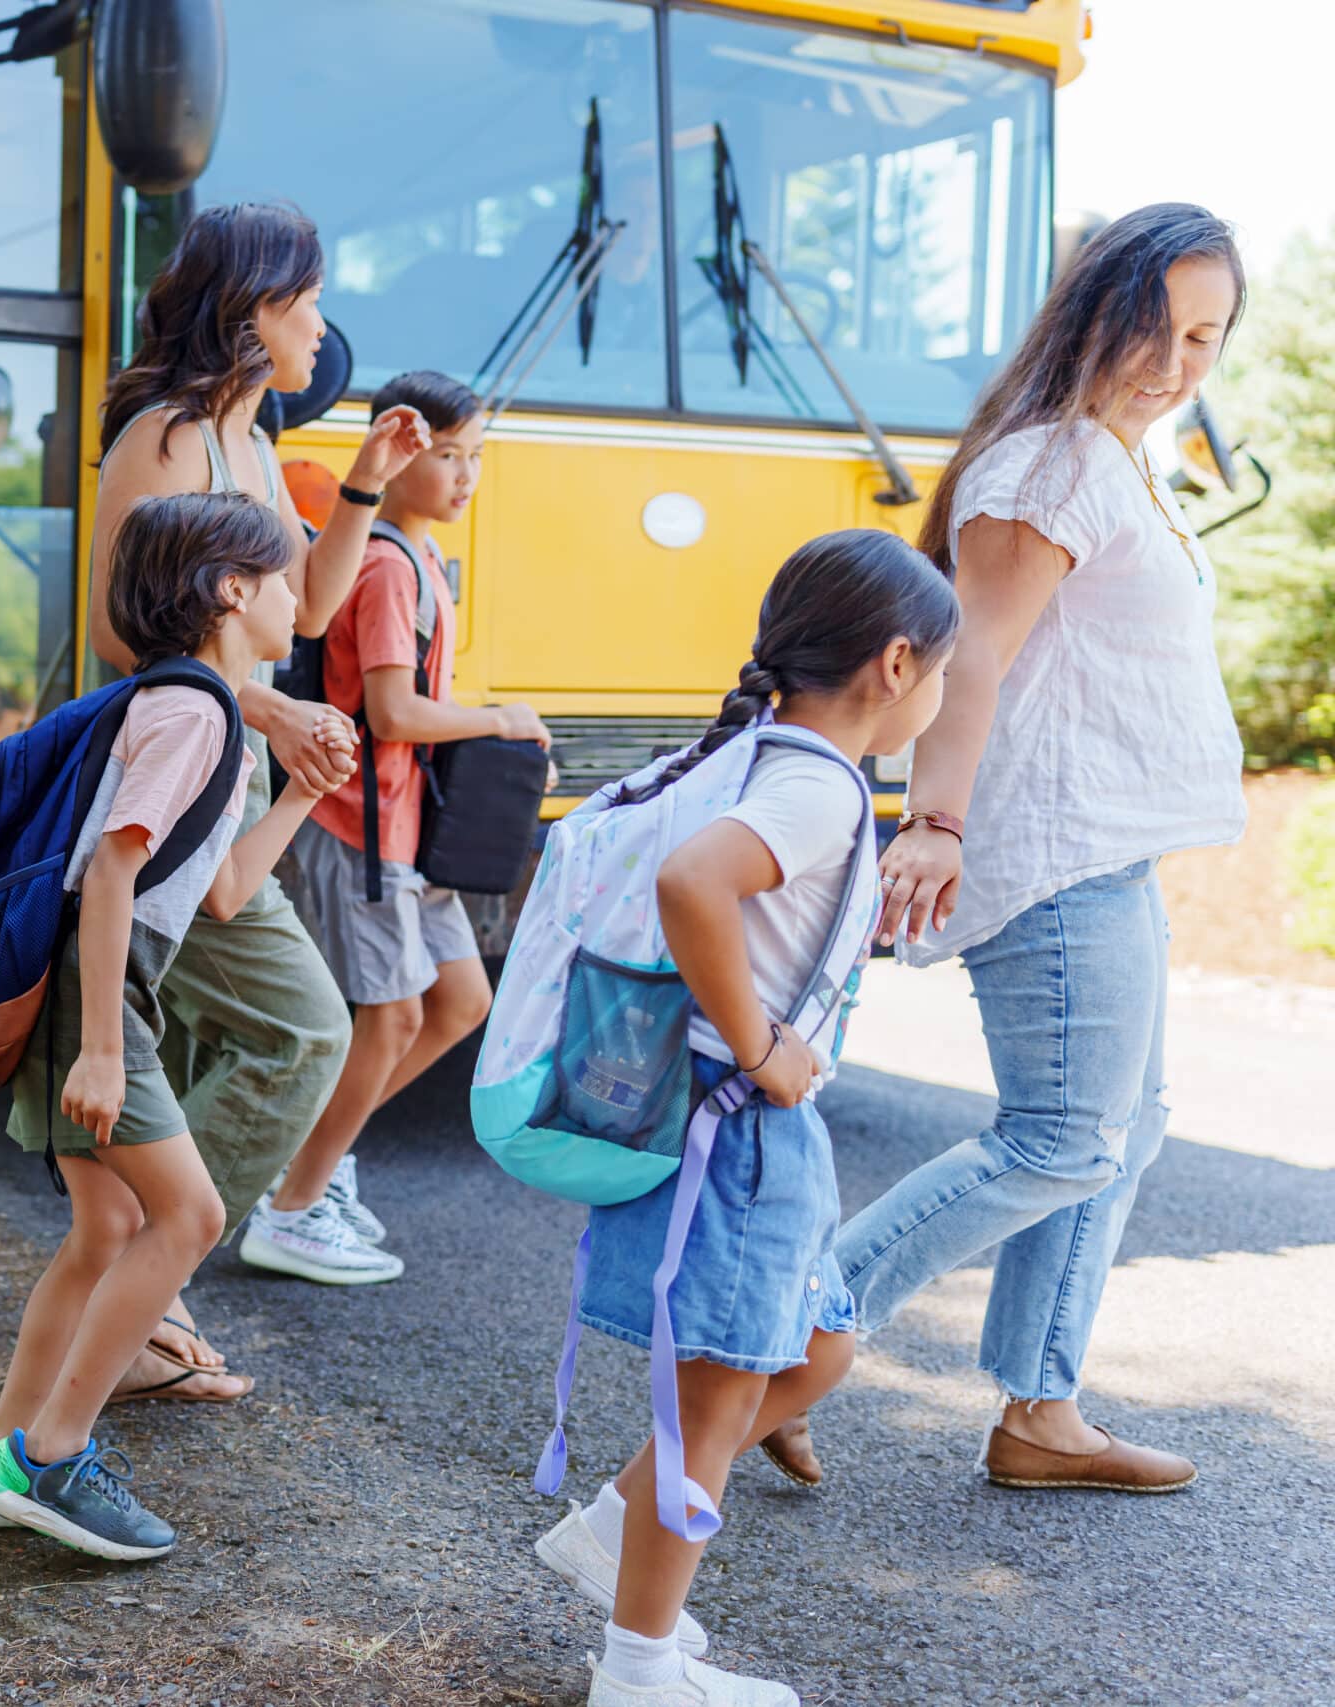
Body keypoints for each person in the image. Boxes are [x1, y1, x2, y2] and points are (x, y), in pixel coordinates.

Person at [756, 205, 1248, 1496]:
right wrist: (937, 819)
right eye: (1161, 326)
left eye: (1208, 337)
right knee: (1065, 1136)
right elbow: (973, 658)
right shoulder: (1046, 469)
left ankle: (1042, 1406)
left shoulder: (1114, 457)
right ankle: (791, 1325)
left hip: (1112, 842)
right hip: (1050, 844)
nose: (1182, 360)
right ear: (1100, 312)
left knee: (1120, 1128)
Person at [531, 531, 959, 1707]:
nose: (940, 696)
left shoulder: (778, 759)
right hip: (741, 1127)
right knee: (710, 1405)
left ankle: (607, 1534)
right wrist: (766, 1048)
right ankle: (639, 1669)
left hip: (750, 1123)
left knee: (817, 1346)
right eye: (942, 674)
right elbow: (692, 886)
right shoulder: (818, 786)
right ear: (893, 662)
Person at [0, 492, 340, 1560]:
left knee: (107, 1229)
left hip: (103, 989)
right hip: (93, 993)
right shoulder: (195, 713)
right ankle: (55, 1454)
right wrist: (106, 1048)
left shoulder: (209, 715)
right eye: (288, 576)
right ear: (231, 590)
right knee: (191, 1215)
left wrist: (299, 793)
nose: (302, 595)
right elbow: (112, 868)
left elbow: (219, 893)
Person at [86, 203, 435, 1368]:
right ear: (257, 309)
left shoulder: (248, 438)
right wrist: (270, 707)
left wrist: (368, 484)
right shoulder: (166, 436)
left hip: (228, 772)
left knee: (191, 1040)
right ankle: (150, 1284)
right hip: (174, 769)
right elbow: (117, 631)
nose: (324, 324)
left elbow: (313, 610)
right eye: (313, 299)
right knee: (300, 1027)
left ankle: (134, 1303)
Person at [243, 369, 550, 1284]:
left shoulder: (416, 560)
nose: (465, 475)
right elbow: (390, 711)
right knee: (388, 1018)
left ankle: (317, 1165)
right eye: (446, 454)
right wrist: (498, 718)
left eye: (476, 456)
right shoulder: (382, 564)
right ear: (397, 452)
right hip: (361, 822)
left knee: (460, 1002)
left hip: (411, 828)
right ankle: (292, 1206)